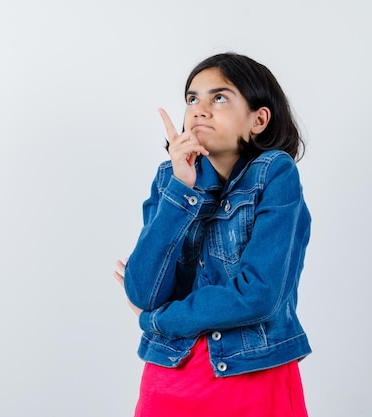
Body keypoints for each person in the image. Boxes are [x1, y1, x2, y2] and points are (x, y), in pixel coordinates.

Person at [113, 52, 312, 417]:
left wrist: (156, 320)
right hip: (169, 376)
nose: (200, 110)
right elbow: (143, 291)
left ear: (259, 119)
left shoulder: (274, 173)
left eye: (219, 98)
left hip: (252, 373)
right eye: (192, 99)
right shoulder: (169, 179)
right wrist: (181, 190)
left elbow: (258, 295)